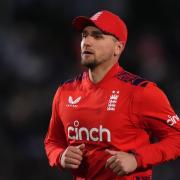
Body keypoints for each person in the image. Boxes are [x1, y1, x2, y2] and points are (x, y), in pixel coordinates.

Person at [44, 10, 180, 180]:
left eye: (97, 36)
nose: (86, 42)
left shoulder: (141, 92)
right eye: (84, 35)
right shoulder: (64, 92)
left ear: (118, 47)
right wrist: (60, 156)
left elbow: (177, 138)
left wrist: (137, 159)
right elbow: (52, 142)